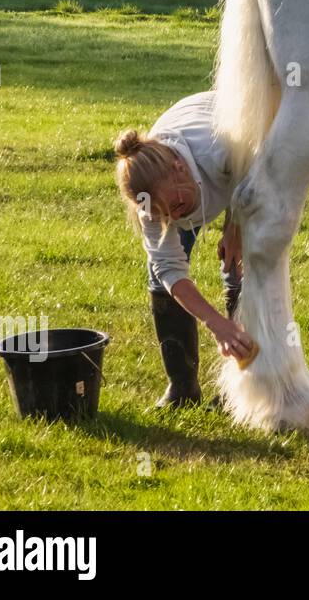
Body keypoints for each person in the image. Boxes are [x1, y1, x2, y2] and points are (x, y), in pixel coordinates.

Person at [113, 91, 255, 407]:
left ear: (179, 167)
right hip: (203, 181)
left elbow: (254, 172)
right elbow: (170, 270)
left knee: (238, 264)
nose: (172, 217)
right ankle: (182, 387)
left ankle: (239, 388)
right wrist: (216, 324)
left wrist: (236, 225)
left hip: (242, 158)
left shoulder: (217, 147)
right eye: (163, 215)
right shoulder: (152, 206)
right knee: (157, 277)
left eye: (175, 206)